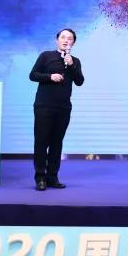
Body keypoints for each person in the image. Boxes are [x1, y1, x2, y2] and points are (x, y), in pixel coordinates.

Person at [29, 28, 84, 191]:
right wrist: (49, 76)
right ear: (57, 40)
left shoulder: (75, 61)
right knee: (41, 142)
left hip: (63, 108)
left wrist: (72, 65)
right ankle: (40, 177)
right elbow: (33, 75)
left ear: (73, 43)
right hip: (44, 106)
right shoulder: (46, 56)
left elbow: (80, 81)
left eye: (70, 38)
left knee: (56, 143)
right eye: (63, 37)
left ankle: (52, 177)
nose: (66, 40)